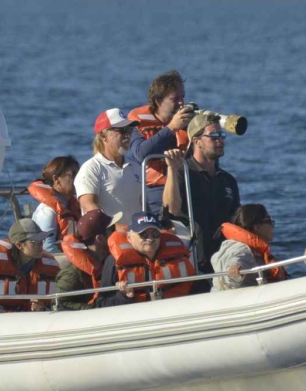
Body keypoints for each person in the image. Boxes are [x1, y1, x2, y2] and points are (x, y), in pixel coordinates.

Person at [164, 111, 241, 274]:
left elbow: (237, 221)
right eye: (213, 135)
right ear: (196, 141)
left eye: (221, 134)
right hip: (194, 261)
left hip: (224, 261)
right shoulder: (181, 172)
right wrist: (171, 168)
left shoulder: (227, 180)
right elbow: (171, 209)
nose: (220, 139)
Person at [100, 211, 197, 306]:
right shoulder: (114, 262)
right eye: (143, 235)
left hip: (176, 310)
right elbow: (101, 303)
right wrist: (124, 296)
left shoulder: (177, 254)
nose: (150, 239)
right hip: (137, 316)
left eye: (155, 234)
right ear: (129, 237)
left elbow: (198, 287)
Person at [128, 70, 191, 214]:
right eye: (175, 99)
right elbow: (141, 153)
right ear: (158, 101)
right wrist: (171, 128)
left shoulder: (188, 123)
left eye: (183, 97)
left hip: (186, 185)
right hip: (154, 189)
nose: (181, 103)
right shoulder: (138, 121)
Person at [74, 108, 142, 223]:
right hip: (108, 237)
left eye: (129, 130)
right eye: (122, 130)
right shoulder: (91, 168)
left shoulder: (136, 167)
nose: (127, 135)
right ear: (103, 136)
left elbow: (144, 205)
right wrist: (114, 227)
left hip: (137, 237)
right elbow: (88, 205)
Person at [0, 218, 61, 312]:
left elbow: (57, 305)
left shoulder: (49, 269)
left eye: (42, 240)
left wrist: (42, 308)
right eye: (35, 241)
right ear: (19, 245)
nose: (41, 245)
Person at [210, 203, 287, 291]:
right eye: (269, 221)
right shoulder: (240, 247)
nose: (272, 226)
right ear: (257, 226)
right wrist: (235, 267)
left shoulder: (252, 249)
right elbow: (235, 258)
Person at [54, 209, 116, 310]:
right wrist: (91, 309)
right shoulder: (72, 275)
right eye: (112, 230)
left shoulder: (110, 262)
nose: (116, 234)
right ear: (100, 239)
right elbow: (58, 304)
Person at [28, 155, 81, 253]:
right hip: (59, 264)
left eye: (80, 173)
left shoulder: (72, 206)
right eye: (73, 174)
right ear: (56, 179)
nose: (79, 178)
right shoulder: (47, 211)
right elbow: (47, 249)